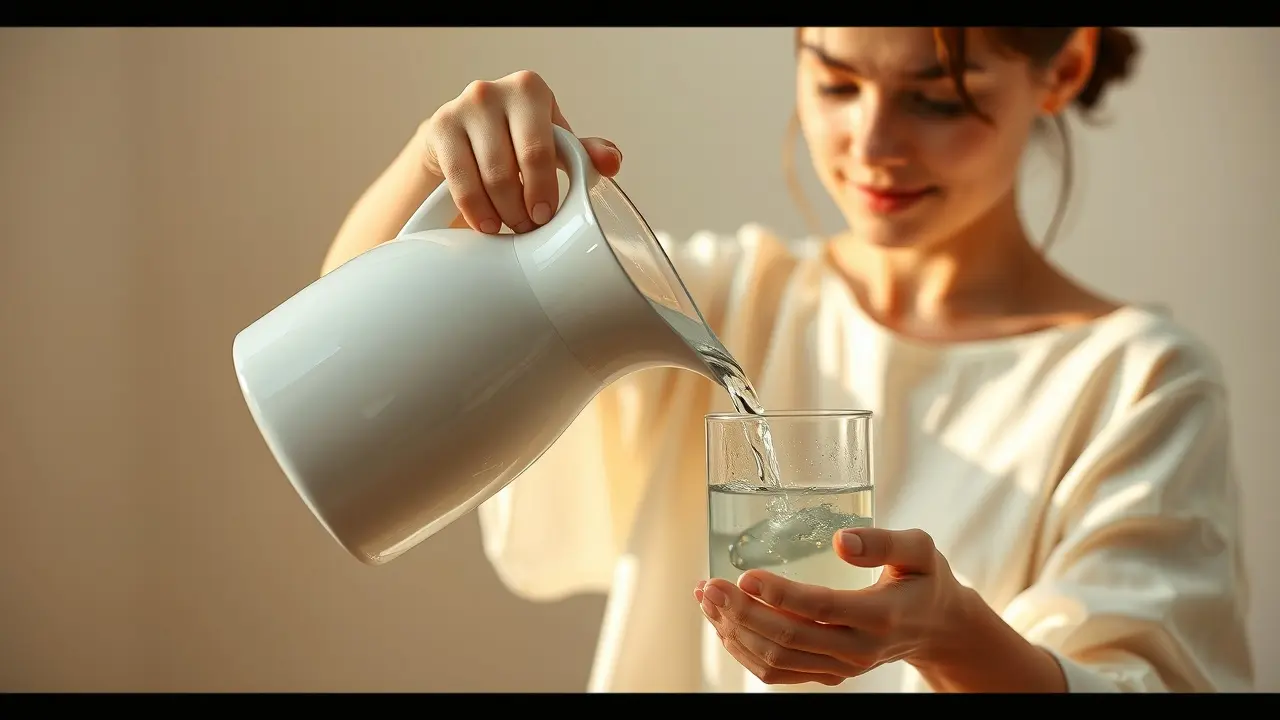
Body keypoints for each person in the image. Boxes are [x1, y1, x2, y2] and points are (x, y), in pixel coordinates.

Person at [320, 27, 1254, 693]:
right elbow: (347, 361)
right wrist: (432, 166)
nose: (874, 144)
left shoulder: (1136, 383)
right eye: (838, 82)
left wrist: (952, 634)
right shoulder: (703, 305)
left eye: (935, 96)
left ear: (1066, 68)